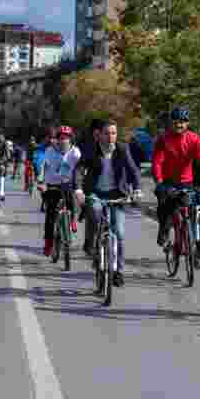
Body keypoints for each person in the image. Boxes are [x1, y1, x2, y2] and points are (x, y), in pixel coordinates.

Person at [74, 120, 142, 287]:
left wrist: (137, 189)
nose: (111, 136)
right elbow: (78, 170)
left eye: (113, 133)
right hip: (96, 193)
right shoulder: (92, 149)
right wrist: (79, 189)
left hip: (117, 195)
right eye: (107, 133)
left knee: (119, 232)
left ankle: (119, 270)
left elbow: (133, 171)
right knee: (95, 212)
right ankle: (95, 248)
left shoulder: (122, 149)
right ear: (100, 135)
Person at [152, 107, 200, 247]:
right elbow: (157, 162)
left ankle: (190, 238)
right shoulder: (163, 139)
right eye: (176, 121)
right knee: (165, 207)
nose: (179, 124)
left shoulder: (194, 139)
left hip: (186, 182)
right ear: (171, 122)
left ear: (188, 123)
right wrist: (159, 182)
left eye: (183, 121)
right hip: (167, 181)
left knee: (190, 207)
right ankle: (164, 230)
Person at [36, 125, 81, 257]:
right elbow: (43, 166)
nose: (63, 141)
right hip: (52, 185)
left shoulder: (75, 152)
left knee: (72, 201)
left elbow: (80, 168)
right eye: (61, 138)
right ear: (57, 139)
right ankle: (49, 242)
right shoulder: (50, 151)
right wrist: (41, 182)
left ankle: (72, 219)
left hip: (67, 184)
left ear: (71, 140)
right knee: (50, 215)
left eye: (66, 138)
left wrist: (80, 185)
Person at [75, 118, 105, 255]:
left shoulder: (109, 143)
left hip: (106, 185)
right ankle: (89, 242)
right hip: (88, 180)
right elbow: (79, 163)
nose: (100, 134)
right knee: (91, 212)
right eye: (98, 132)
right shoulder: (85, 143)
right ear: (93, 132)